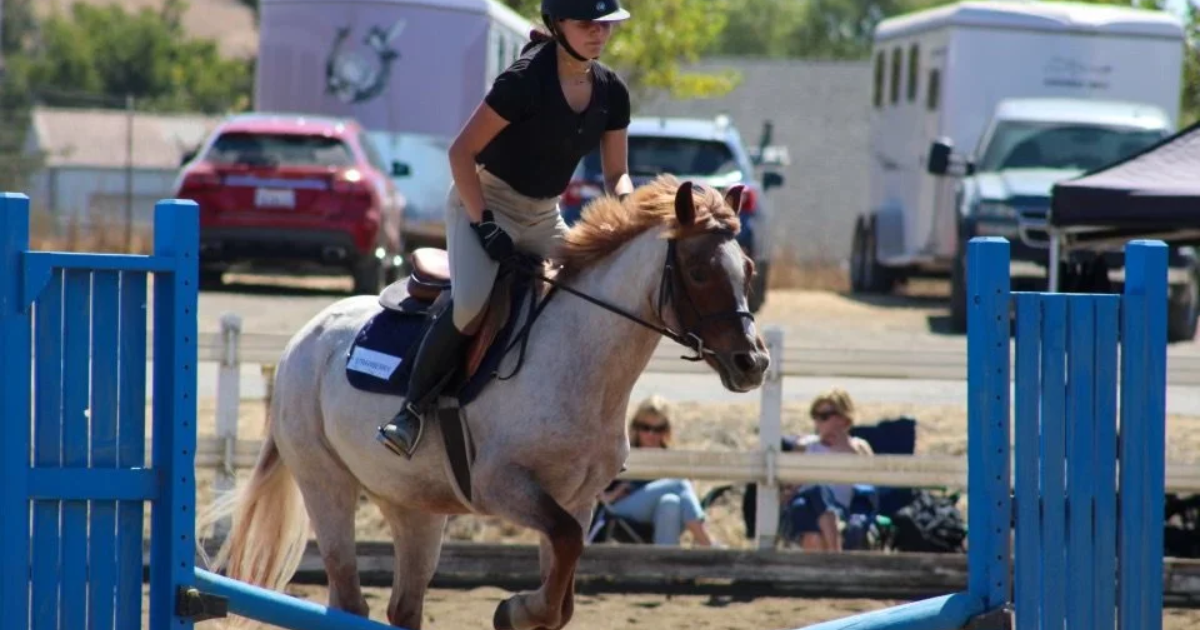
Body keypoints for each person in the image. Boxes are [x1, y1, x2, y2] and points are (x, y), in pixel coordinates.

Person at [377, 0, 635, 458]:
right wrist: (485, 224)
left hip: (544, 214)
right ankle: (411, 411)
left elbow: (617, 174)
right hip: (484, 200)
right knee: (471, 304)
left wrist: (631, 207)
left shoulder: (612, 91)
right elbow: (460, 155)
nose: (599, 33)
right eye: (586, 24)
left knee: (586, 298)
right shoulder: (523, 81)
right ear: (557, 25)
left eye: (606, 25)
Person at [599, 395, 721, 547]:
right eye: (645, 428)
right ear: (635, 428)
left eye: (658, 429)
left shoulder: (671, 457)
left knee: (670, 502)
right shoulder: (623, 453)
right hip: (623, 510)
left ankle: (665, 566)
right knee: (679, 484)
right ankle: (707, 543)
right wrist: (615, 493)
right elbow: (596, 495)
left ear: (666, 431)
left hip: (659, 513)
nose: (651, 434)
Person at [781, 388, 877, 551]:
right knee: (816, 492)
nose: (818, 423)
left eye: (824, 416)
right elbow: (786, 493)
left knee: (814, 535)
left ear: (843, 417)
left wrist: (844, 448)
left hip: (840, 510)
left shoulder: (858, 447)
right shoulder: (805, 447)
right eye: (815, 416)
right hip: (804, 505)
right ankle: (836, 555)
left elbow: (873, 482)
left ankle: (826, 566)